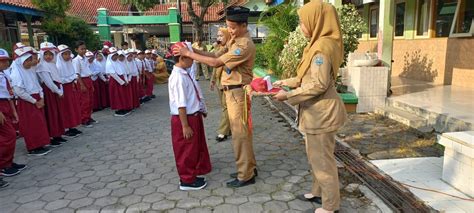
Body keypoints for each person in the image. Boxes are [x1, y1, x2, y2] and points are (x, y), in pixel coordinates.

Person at [273, 1, 347, 213]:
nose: (301, 27)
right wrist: (286, 81)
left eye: (303, 22)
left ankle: (330, 206)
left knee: (323, 161)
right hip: (317, 112)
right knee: (317, 157)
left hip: (322, 114)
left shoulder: (321, 49)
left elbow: (319, 84)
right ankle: (318, 192)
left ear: (317, 21)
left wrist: (288, 95)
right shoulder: (320, 43)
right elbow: (308, 77)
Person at [174, 6, 257, 188]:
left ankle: (246, 175)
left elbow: (216, 62)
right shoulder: (235, 39)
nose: (230, 31)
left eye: (233, 27)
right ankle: (249, 167)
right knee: (241, 134)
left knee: (239, 135)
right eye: (228, 26)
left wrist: (189, 54)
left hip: (237, 92)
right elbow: (214, 54)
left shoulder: (244, 45)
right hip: (231, 91)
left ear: (244, 25)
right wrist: (193, 51)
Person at [168, 42, 211, 191]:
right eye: (189, 57)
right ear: (181, 58)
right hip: (184, 119)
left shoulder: (184, 73)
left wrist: (201, 109)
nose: (193, 60)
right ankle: (186, 180)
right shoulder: (178, 77)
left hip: (192, 116)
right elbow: (181, 104)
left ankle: (192, 174)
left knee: (192, 148)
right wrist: (185, 126)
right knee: (185, 150)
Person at [10, 47, 51, 156]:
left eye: (30, 60)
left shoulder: (30, 70)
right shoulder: (16, 73)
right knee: (31, 125)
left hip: (37, 99)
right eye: (27, 61)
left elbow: (37, 85)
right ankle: (33, 147)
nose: (29, 63)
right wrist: (34, 101)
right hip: (27, 102)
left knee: (39, 123)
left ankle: (41, 143)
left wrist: (41, 97)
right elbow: (19, 91)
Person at [0, 48, 27, 180]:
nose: (5, 64)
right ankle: (3, 165)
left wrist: (13, 111)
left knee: (9, 136)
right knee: (8, 136)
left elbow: (7, 94)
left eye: (6, 61)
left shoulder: (3, 74)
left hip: (6, 105)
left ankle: (9, 162)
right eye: (2, 61)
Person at [37, 42, 67, 146]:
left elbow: (58, 78)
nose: (48, 56)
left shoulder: (53, 65)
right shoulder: (42, 66)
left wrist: (61, 90)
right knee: (52, 113)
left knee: (58, 113)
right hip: (50, 93)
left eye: (50, 54)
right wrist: (58, 91)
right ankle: (53, 135)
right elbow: (48, 82)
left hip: (56, 91)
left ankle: (58, 134)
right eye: (46, 54)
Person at [210, 28, 232, 142]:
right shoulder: (220, 48)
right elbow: (215, 65)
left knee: (226, 107)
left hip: (228, 82)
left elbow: (226, 67)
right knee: (224, 107)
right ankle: (229, 129)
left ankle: (223, 131)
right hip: (219, 81)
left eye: (221, 36)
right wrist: (213, 79)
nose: (218, 38)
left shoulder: (230, 49)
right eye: (217, 36)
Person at [56, 45, 82, 138]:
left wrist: (72, 79)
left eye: (68, 54)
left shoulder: (69, 63)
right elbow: (60, 80)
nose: (67, 56)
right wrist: (71, 78)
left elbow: (74, 75)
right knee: (67, 108)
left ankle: (72, 126)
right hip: (64, 90)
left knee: (73, 107)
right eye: (65, 54)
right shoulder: (58, 66)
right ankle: (67, 128)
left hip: (71, 88)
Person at [72, 41, 96, 127]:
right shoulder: (76, 60)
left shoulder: (86, 59)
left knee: (90, 100)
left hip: (88, 79)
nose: (84, 50)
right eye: (81, 49)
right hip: (82, 81)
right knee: (84, 101)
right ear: (76, 50)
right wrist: (82, 85)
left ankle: (89, 116)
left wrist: (91, 84)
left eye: (84, 49)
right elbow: (77, 74)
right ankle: (84, 119)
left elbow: (87, 71)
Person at [106, 48, 132, 117]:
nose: (115, 57)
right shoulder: (109, 64)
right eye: (113, 55)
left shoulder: (118, 62)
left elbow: (123, 72)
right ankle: (118, 110)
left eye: (116, 55)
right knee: (117, 95)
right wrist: (122, 82)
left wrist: (126, 80)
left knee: (122, 95)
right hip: (115, 82)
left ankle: (123, 107)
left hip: (121, 80)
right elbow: (113, 74)